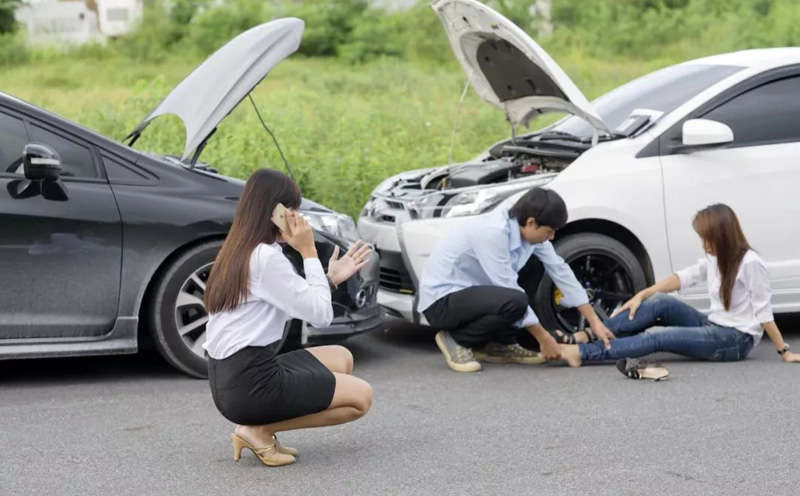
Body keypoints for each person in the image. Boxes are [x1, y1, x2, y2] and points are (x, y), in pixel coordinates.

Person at [203, 169, 374, 467]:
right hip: (250, 385)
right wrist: (308, 252)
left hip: (234, 376)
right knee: (361, 397)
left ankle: (257, 426)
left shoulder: (243, 249)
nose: (296, 218)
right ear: (275, 212)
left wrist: (330, 278)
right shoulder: (267, 258)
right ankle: (258, 429)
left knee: (341, 357)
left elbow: (295, 297)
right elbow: (321, 316)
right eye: (291, 210)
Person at [561, 204, 800, 375]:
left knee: (657, 336)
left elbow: (763, 312)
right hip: (714, 325)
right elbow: (683, 277)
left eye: (709, 240)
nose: (705, 246)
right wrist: (642, 295)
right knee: (659, 302)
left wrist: (784, 351)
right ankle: (589, 335)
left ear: (725, 237)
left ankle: (582, 353)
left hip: (735, 341)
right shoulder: (717, 258)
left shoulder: (750, 264)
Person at [417, 187, 614, 373]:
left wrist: (594, 322)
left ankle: (503, 345)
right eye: (550, 230)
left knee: (536, 266)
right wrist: (543, 338)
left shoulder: (529, 235)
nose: (552, 237)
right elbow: (507, 286)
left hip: (474, 295)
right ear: (531, 222)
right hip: (442, 301)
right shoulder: (492, 232)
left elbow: (560, 269)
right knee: (515, 300)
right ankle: (457, 340)